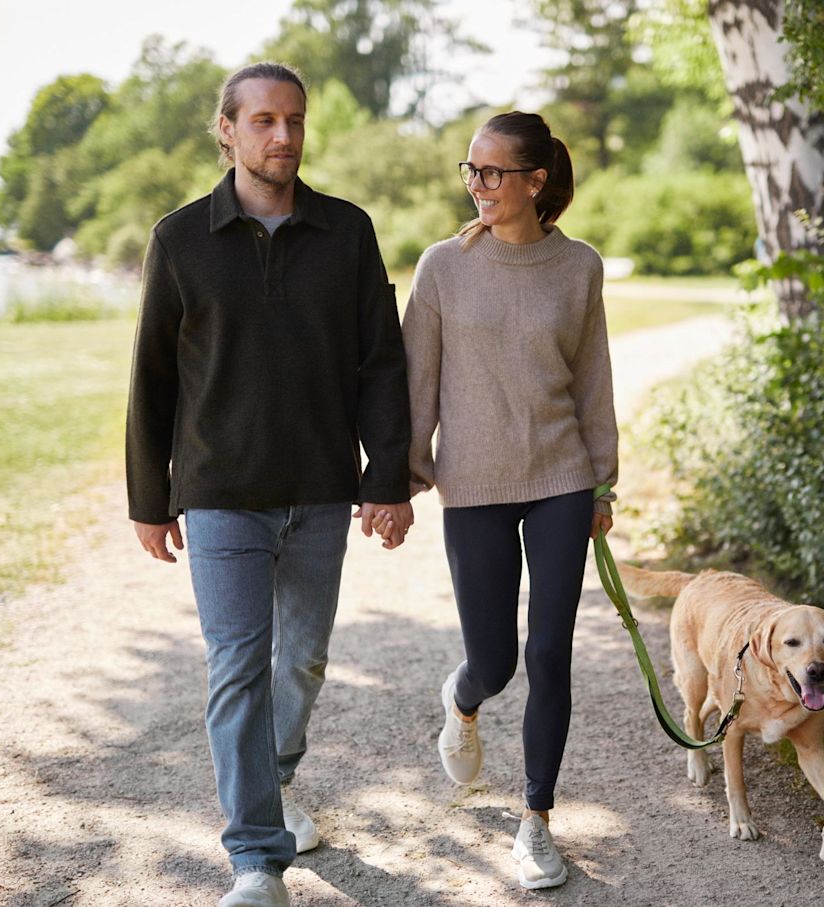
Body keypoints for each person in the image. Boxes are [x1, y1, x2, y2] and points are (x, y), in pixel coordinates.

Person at [126, 62, 413, 907]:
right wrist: (151, 496)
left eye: (293, 120)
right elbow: (151, 376)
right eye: (262, 121)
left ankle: (276, 775)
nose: (281, 135)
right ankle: (256, 858)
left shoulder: (348, 232)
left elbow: (381, 363)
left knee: (307, 660)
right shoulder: (180, 239)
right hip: (220, 492)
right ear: (227, 130)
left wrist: (386, 474)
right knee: (239, 664)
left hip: (322, 488)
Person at [399, 110, 618, 890]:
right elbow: (415, 381)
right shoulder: (442, 267)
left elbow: (593, 378)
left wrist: (602, 481)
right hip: (477, 485)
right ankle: (461, 700)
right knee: (492, 660)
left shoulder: (580, 266)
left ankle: (536, 821)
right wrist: (403, 476)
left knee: (549, 651)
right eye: (470, 170)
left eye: (492, 173)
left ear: (536, 181)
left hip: (561, 478)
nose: (477, 186)